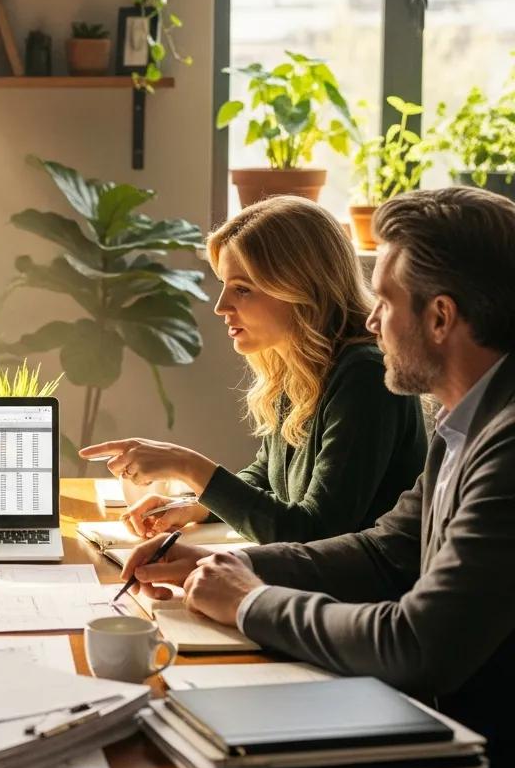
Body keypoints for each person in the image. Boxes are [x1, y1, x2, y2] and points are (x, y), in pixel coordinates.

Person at [121, 186, 515, 768]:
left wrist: (250, 602)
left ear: (440, 318)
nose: (371, 321)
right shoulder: (465, 422)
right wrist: (228, 562)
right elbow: (386, 551)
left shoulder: (507, 444)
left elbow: (418, 644)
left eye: (385, 301)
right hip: (446, 734)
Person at [81, 196, 427, 543]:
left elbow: (314, 531)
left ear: (300, 288)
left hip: (356, 580)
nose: (221, 307)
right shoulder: (297, 365)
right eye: (224, 286)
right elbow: (266, 477)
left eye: (242, 289)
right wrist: (195, 506)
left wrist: (187, 465)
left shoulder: (366, 376)